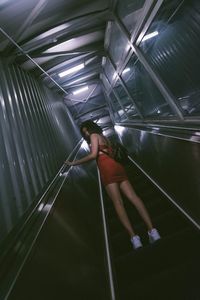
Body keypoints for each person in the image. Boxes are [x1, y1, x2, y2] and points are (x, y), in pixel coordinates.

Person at [65, 120, 161, 249]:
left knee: (118, 203)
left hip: (106, 167)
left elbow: (94, 155)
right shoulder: (104, 137)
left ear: (89, 129)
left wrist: (74, 163)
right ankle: (153, 231)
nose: (86, 134)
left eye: (85, 130)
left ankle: (134, 238)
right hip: (117, 166)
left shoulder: (94, 136)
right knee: (134, 197)